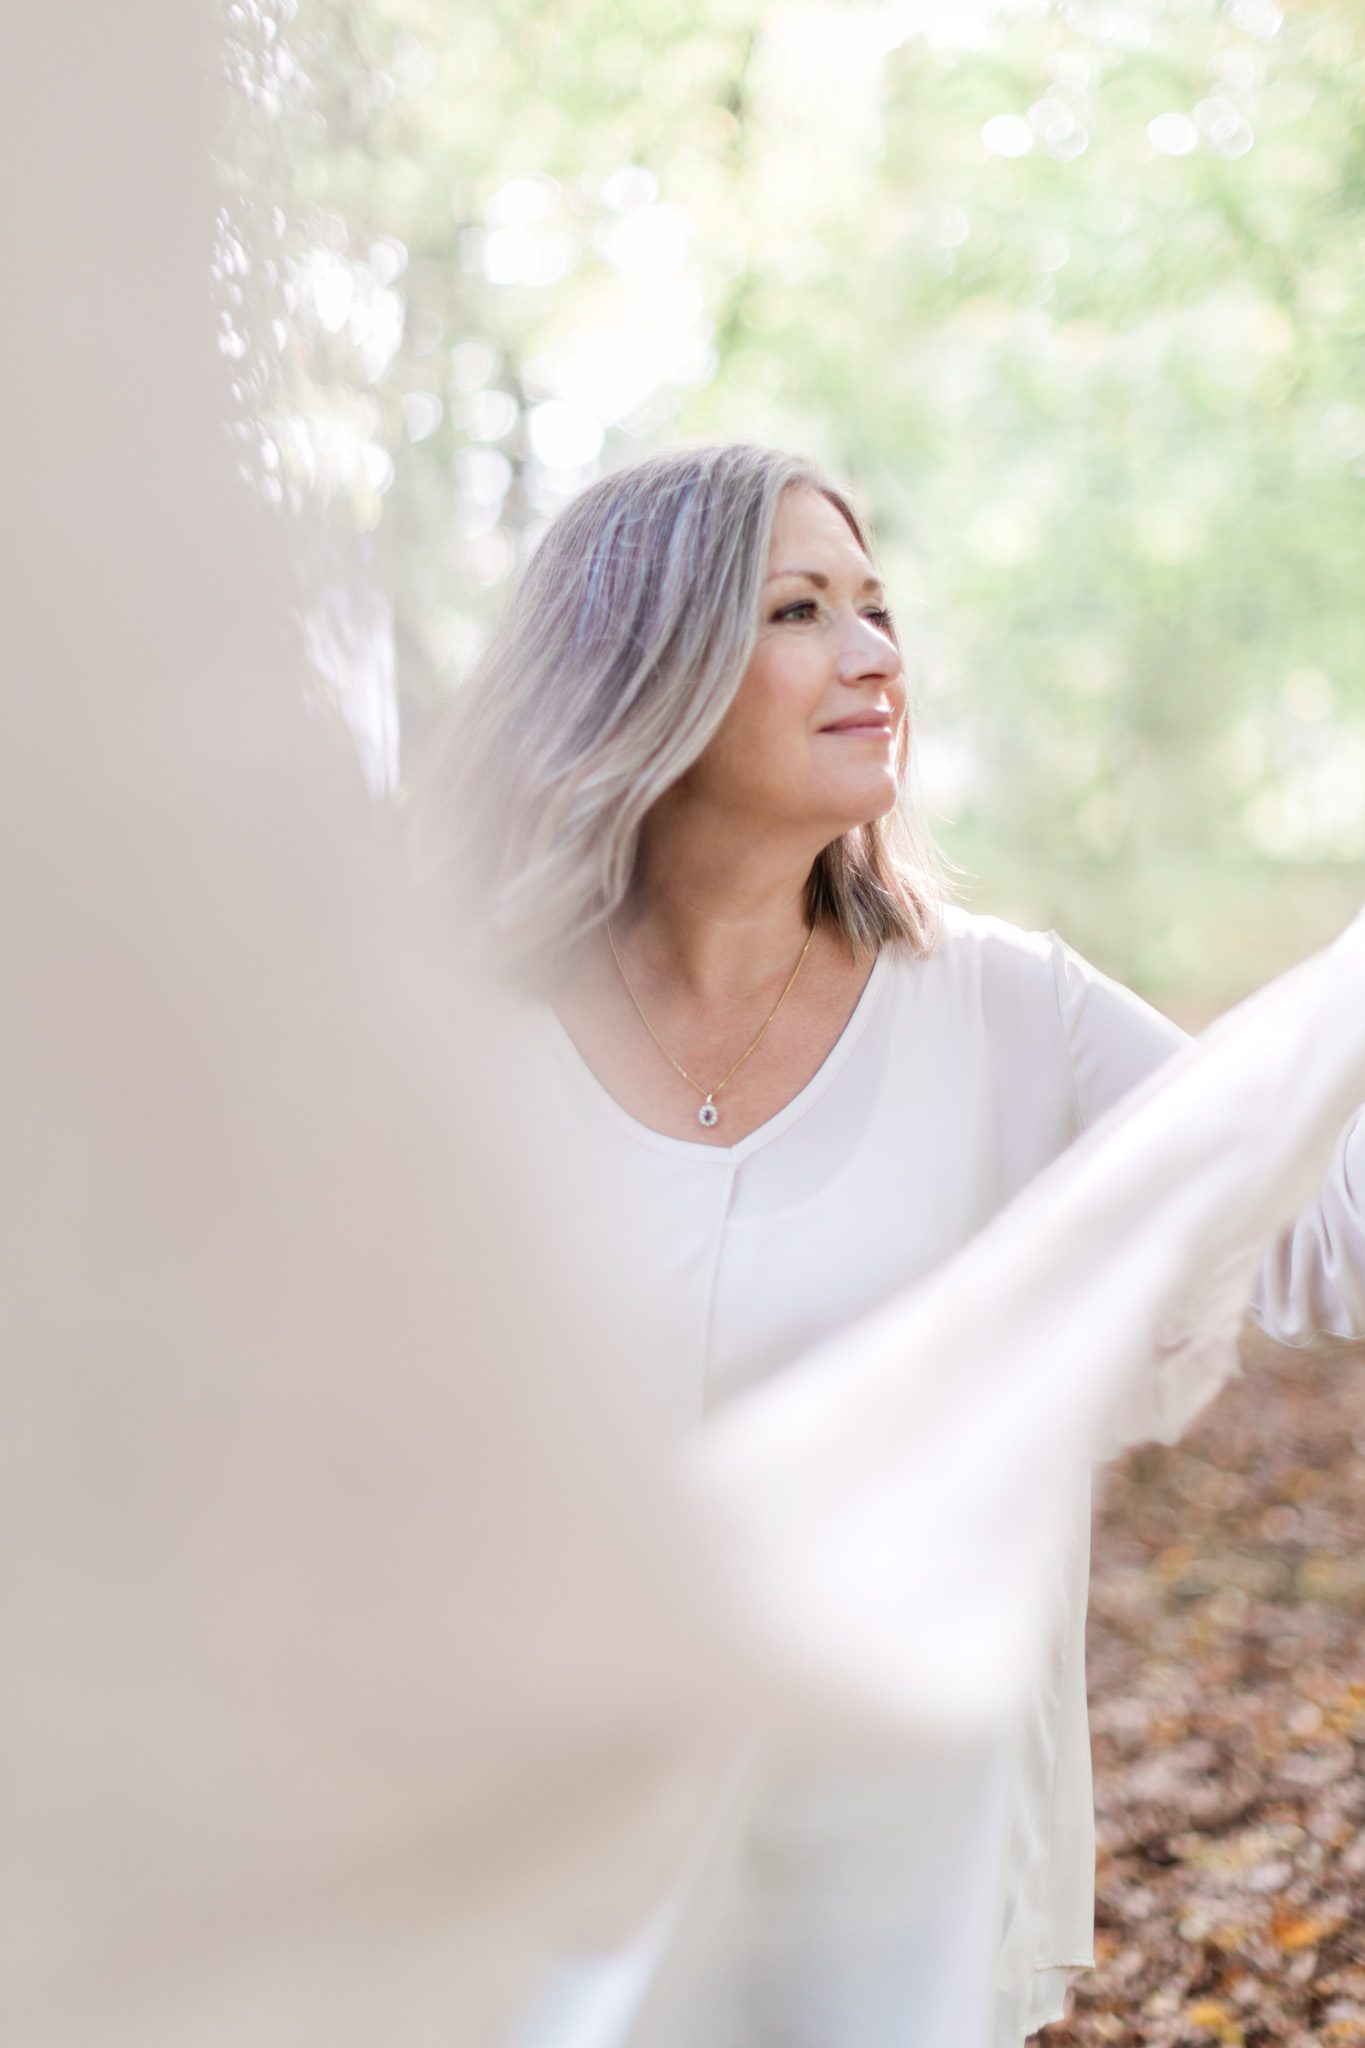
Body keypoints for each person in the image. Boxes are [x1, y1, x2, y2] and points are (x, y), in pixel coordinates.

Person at [416, 442, 1365, 2045]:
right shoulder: (447, 1037)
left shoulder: (1005, 1012)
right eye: (799, 609)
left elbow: (1327, 1239)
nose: (875, 655)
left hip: (885, 1941)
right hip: (520, 1912)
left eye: (877, 608)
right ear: (642, 664)